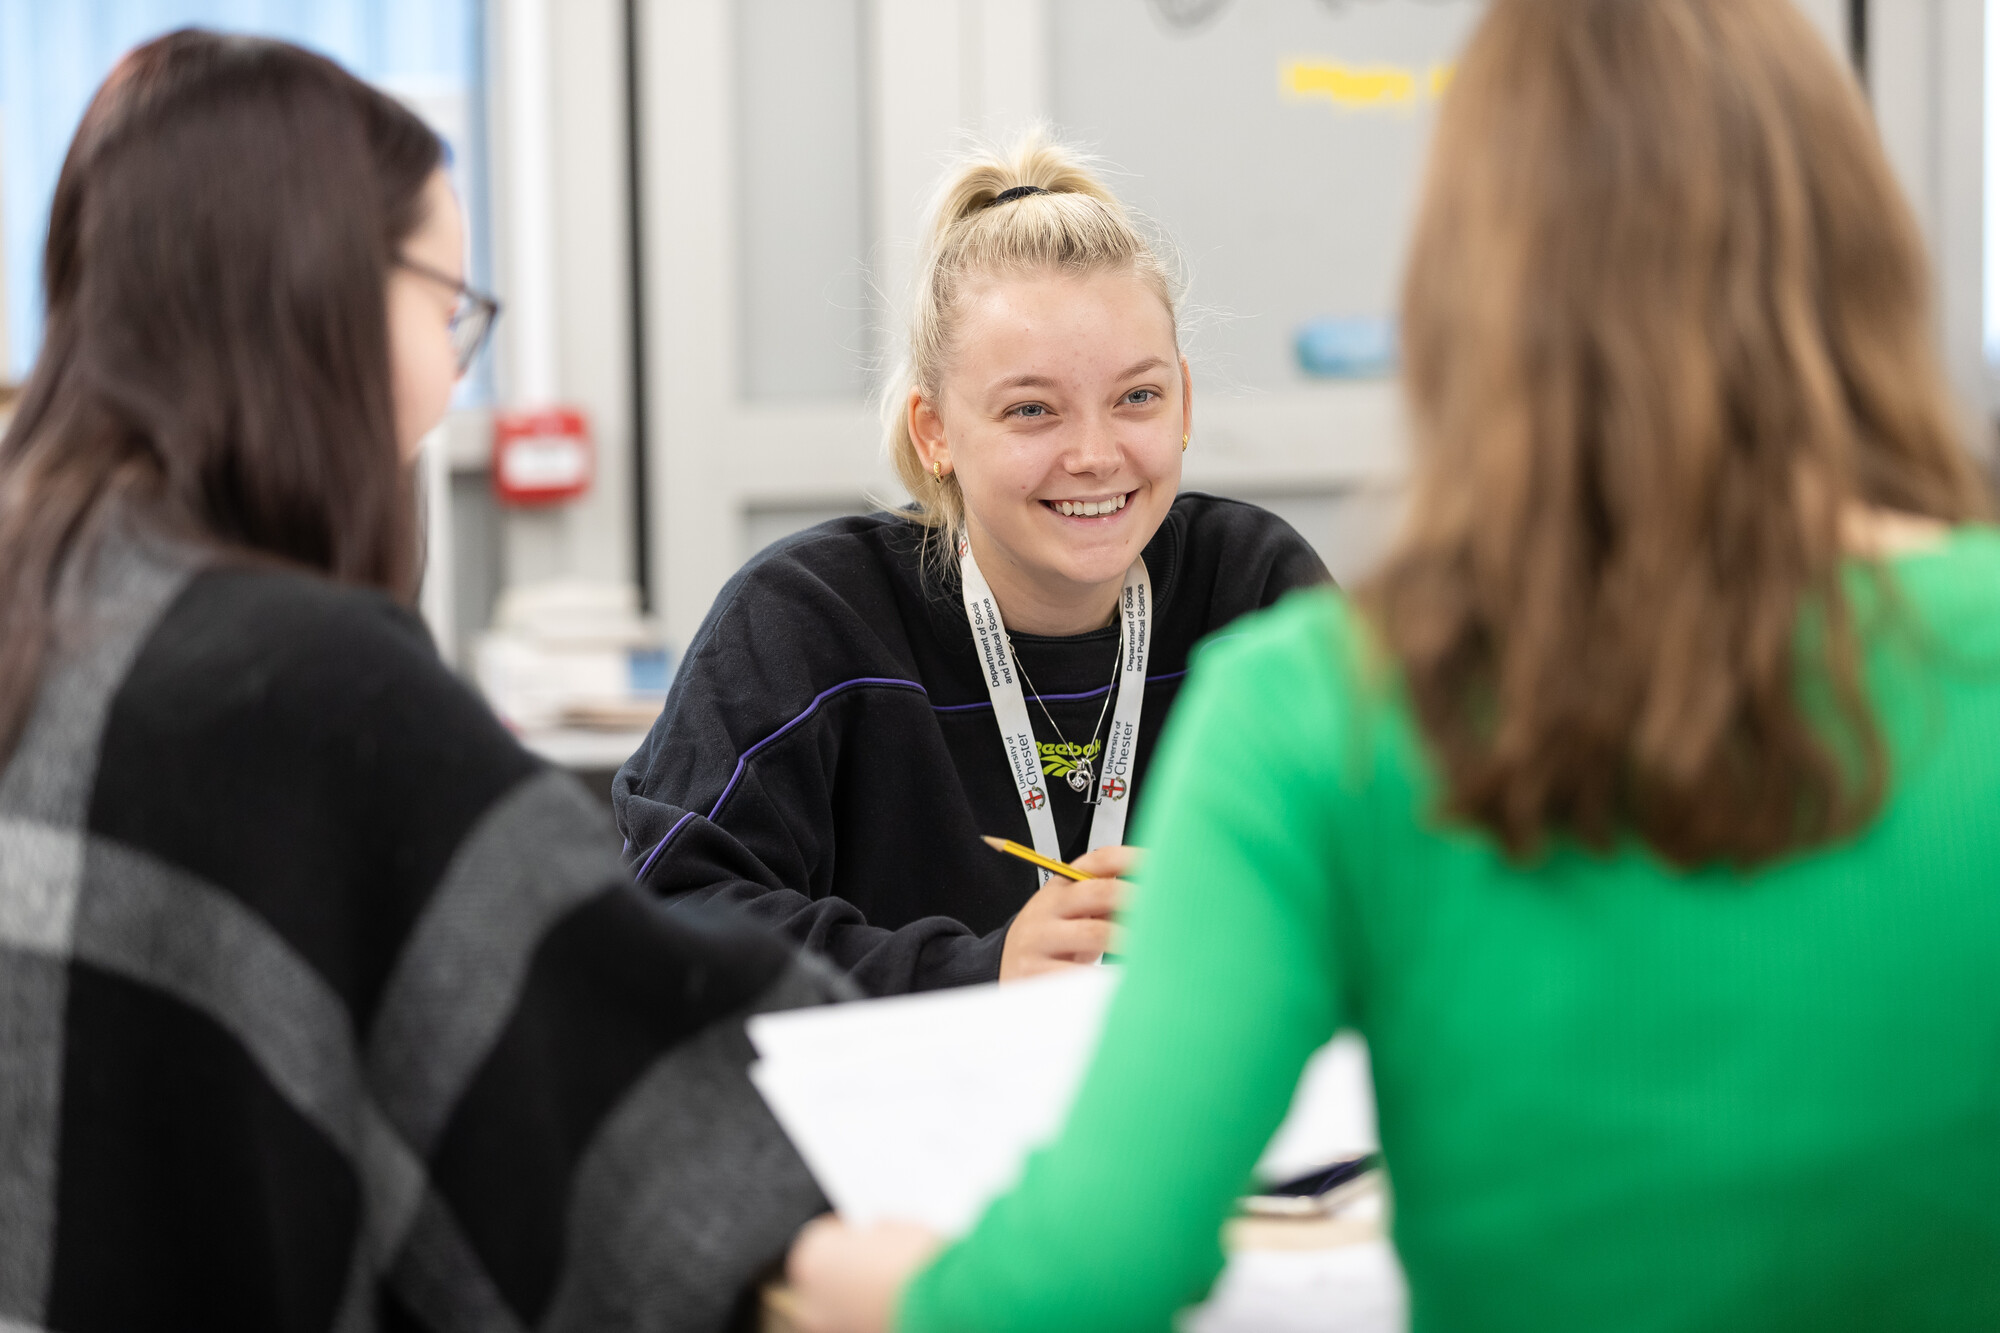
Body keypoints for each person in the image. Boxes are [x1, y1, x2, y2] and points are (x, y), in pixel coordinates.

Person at [784, 0, 2000, 1328]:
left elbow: (1083, 1284)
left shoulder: (1322, 707)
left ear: (1466, 288)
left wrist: (803, 1266)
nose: (1096, 453)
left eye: (1137, 396)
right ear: (1874, 250)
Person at [0, 32, 839, 1333]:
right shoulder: (302, 683)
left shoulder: (48, 601)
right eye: (445, 301)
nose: (457, 367)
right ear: (316, 290)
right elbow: (629, 1097)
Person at [614, 138, 1328, 995]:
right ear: (935, 432)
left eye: (1138, 396)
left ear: (1183, 400)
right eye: (1032, 410)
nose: (1096, 455)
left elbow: (1399, 862)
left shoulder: (1255, 593)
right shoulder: (802, 621)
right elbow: (671, 917)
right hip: (902, 1118)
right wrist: (980, 972)